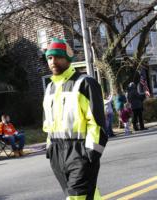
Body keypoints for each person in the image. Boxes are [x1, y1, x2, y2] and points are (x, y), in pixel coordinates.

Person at [43, 38, 108, 199]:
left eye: (58, 56)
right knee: (86, 195)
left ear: (68, 58)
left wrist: (91, 153)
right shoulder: (50, 88)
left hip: (79, 151)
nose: (53, 61)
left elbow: (97, 123)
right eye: (50, 58)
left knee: (77, 196)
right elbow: (47, 123)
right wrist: (50, 148)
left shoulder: (85, 83)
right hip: (57, 153)